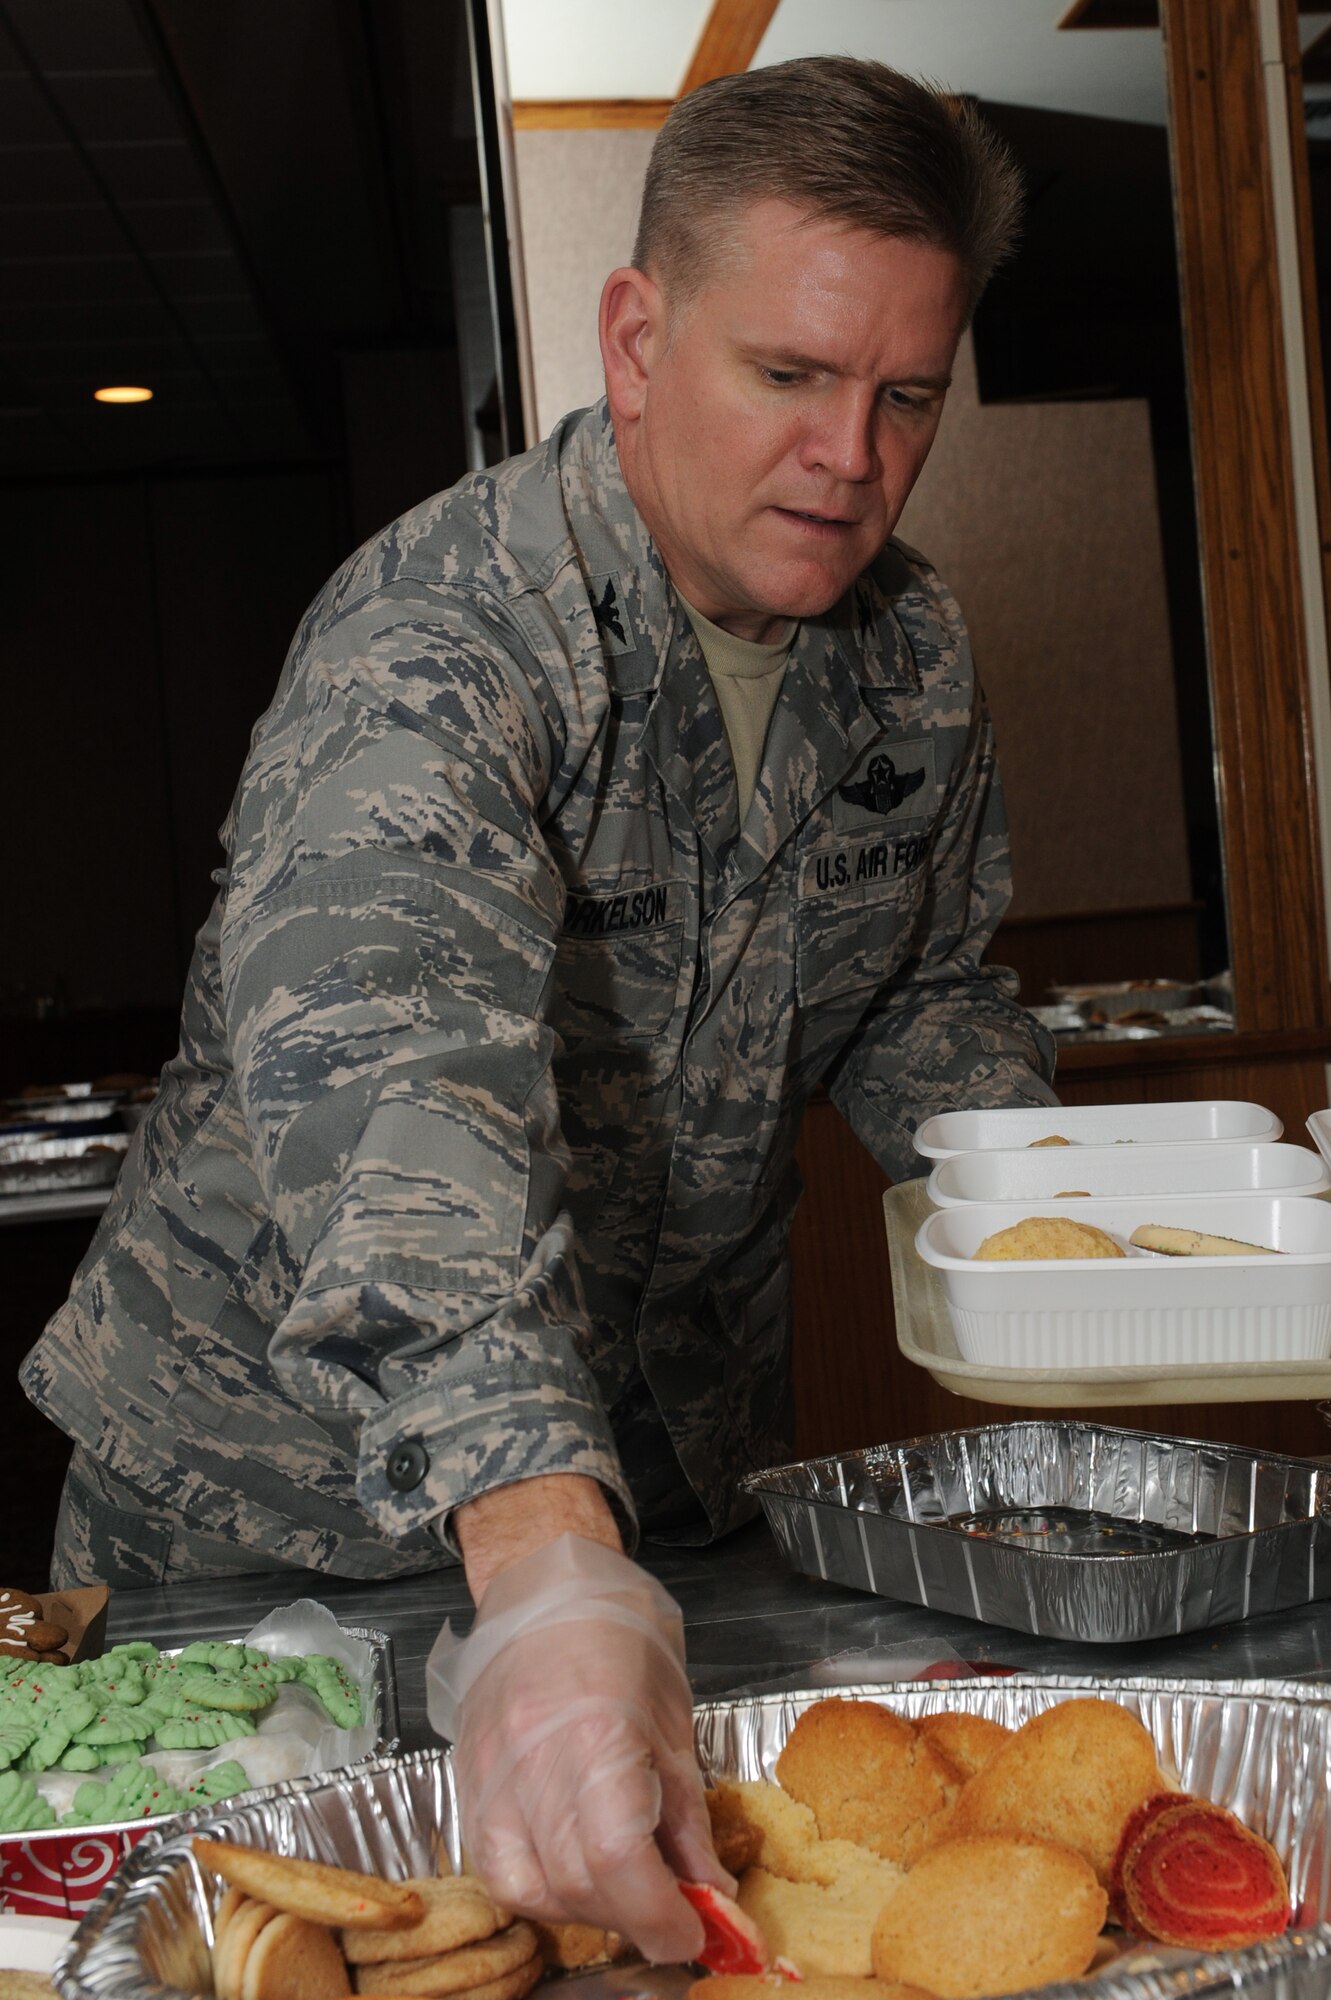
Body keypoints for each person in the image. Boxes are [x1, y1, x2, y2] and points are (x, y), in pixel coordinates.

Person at [22, 54, 1056, 1964]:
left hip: (653, 1521)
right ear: (639, 335)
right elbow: (400, 1089)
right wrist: (541, 1557)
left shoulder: (911, 654)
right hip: (264, 1530)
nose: (852, 455)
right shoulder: (440, 637)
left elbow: (915, 992)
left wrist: (1057, 1197)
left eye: (908, 395)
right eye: (790, 376)